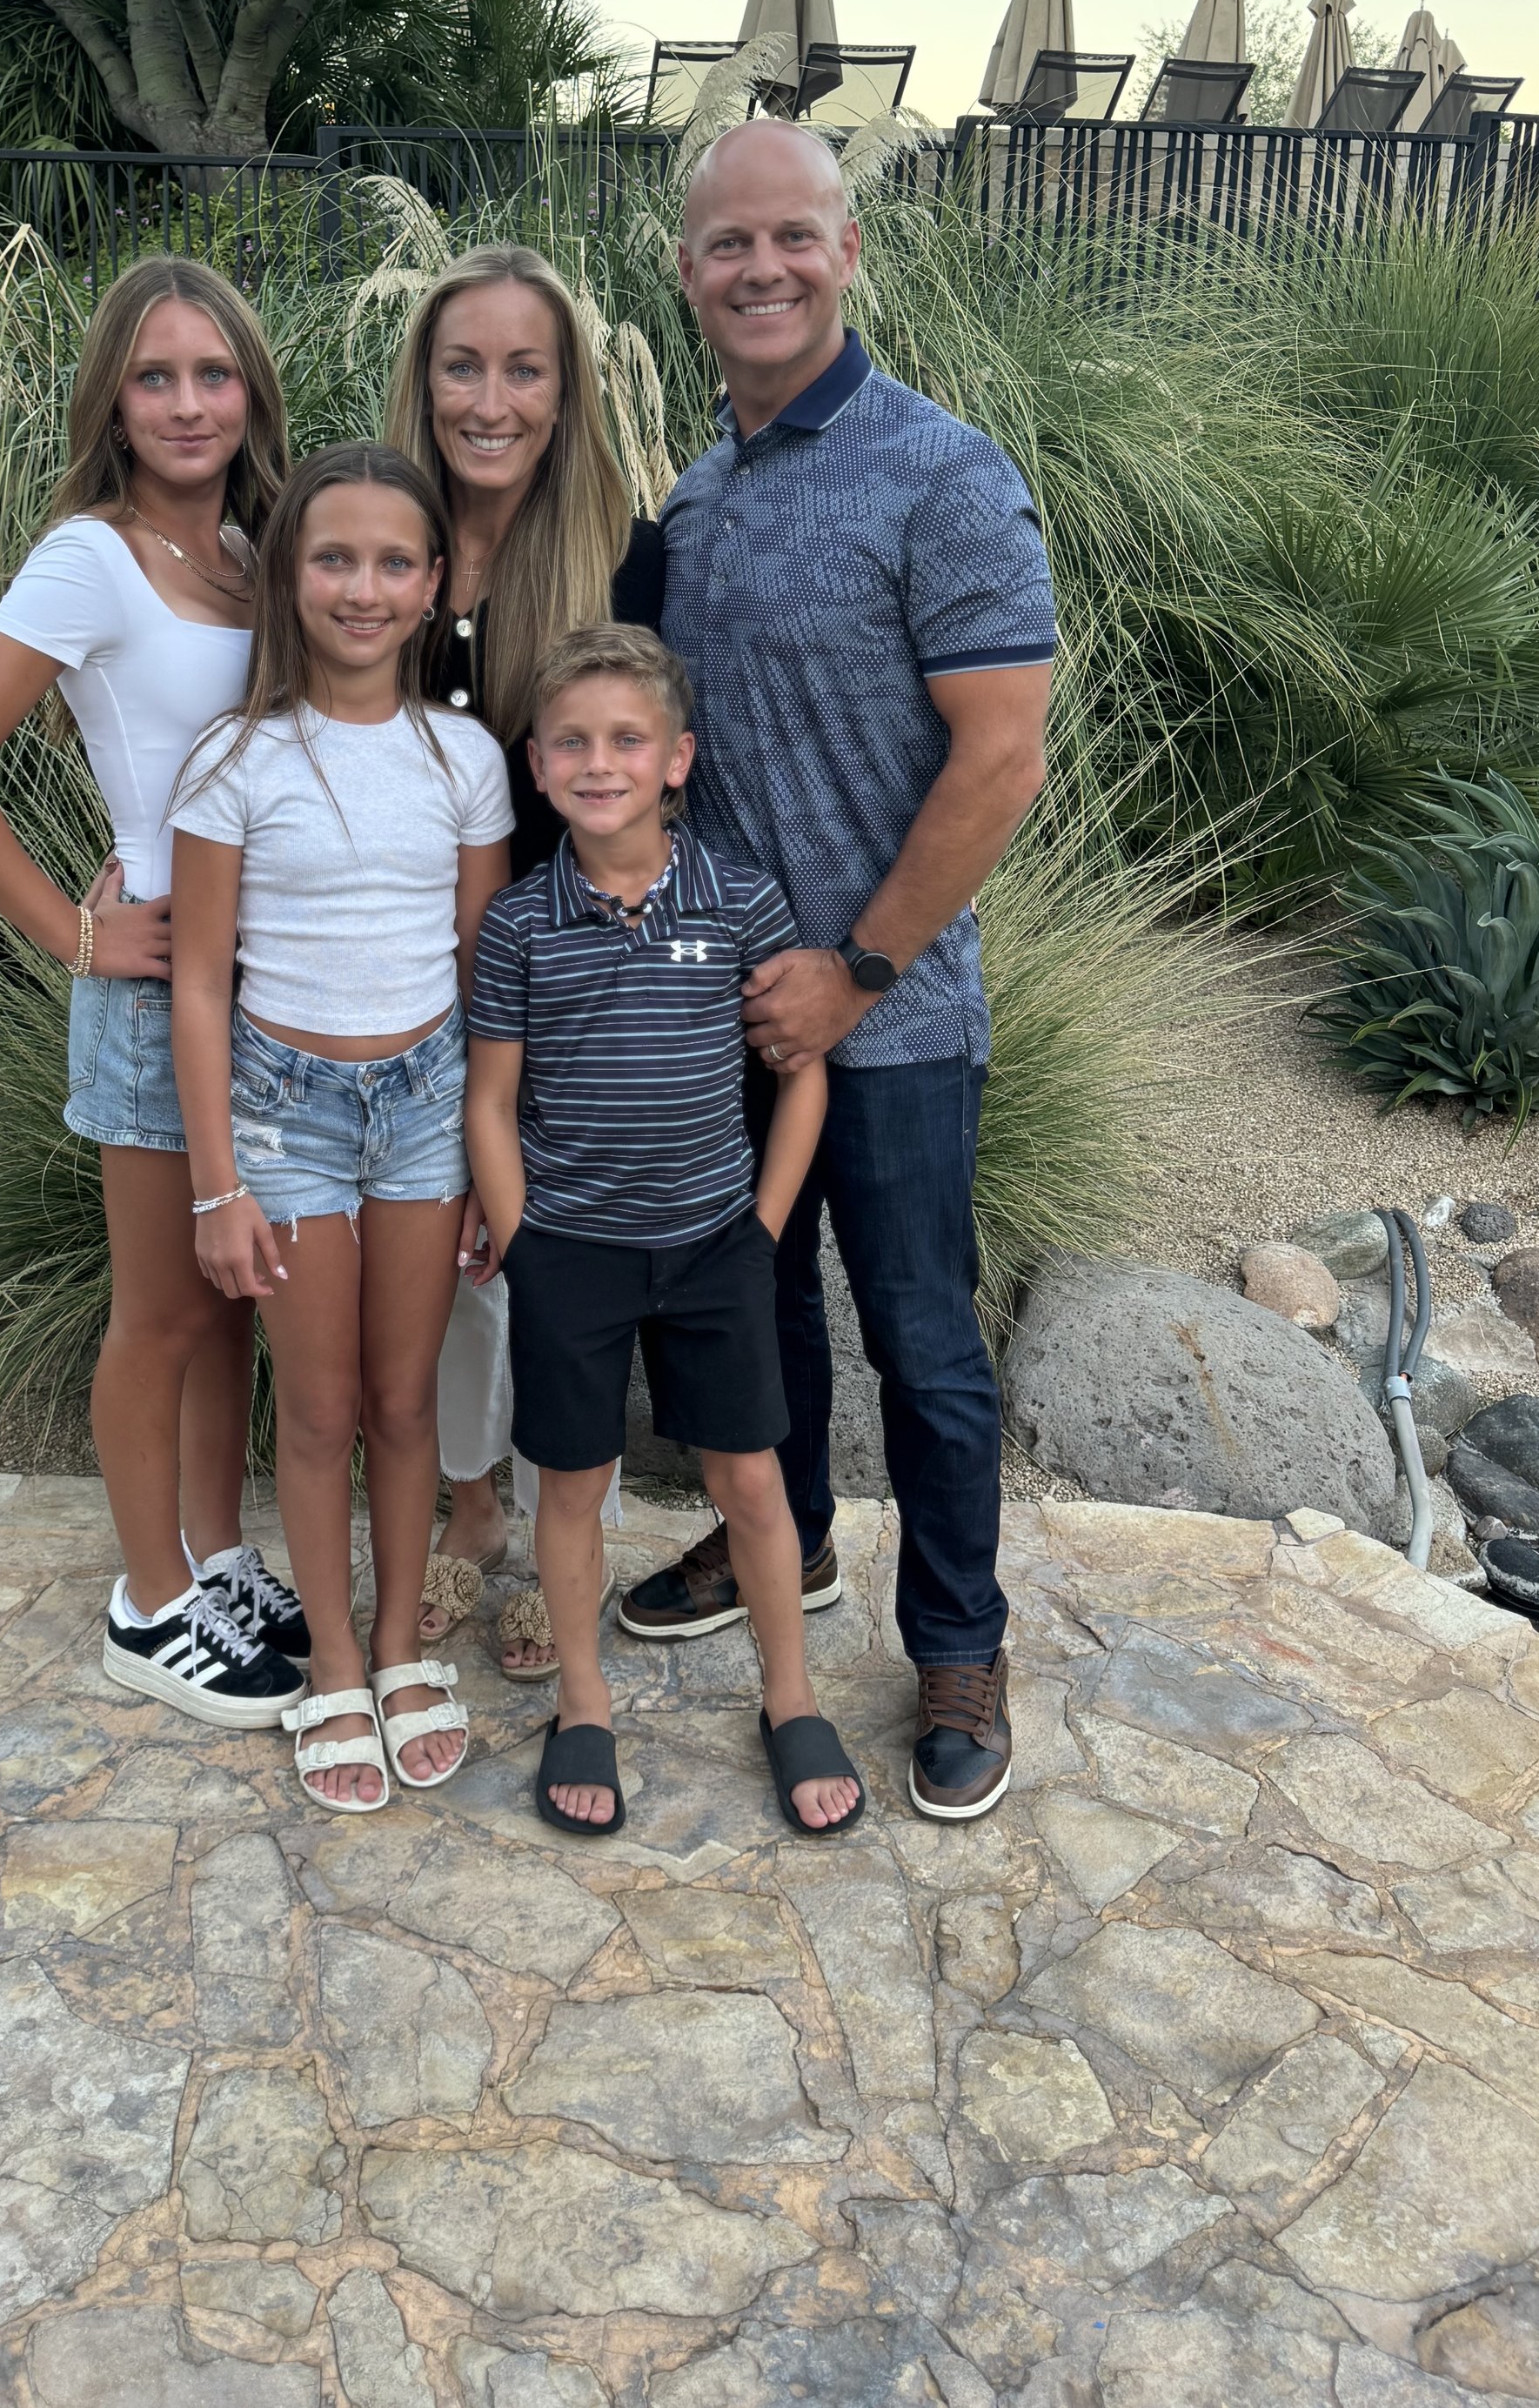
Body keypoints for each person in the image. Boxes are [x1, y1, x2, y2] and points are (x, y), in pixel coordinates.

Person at [631, 121, 1053, 1825]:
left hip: (889, 1020)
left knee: (919, 1341)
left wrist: (859, 968)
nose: (760, 268)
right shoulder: (695, 496)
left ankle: (955, 1639)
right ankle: (782, 1540)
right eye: (727, 243)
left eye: (792, 235)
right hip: (722, 1008)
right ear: (684, 272)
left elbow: (998, 756)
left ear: (847, 250)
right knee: (751, 1306)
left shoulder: (940, 471)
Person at [0, 258, 311, 1729]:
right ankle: (148, 1606)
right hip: (154, 995)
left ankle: (213, 1557)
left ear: (250, 388)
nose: (189, 404)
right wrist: (71, 933)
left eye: (212, 373)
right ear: (112, 404)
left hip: (267, 996)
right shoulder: (94, 557)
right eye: (154, 377)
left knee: (231, 1299)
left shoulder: (260, 553)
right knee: (160, 1316)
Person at [465, 624, 864, 1836]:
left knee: (750, 1477)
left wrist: (763, 1224)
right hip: (571, 1250)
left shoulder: (739, 899)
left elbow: (802, 1073)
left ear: (677, 758)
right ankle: (582, 1703)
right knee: (572, 1483)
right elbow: (490, 1097)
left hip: (711, 1246)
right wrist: (522, 1238)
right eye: (572, 743)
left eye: (626, 739)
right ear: (536, 766)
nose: (600, 763)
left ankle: (788, 1696)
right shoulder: (521, 926)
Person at [168, 443, 513, 1812]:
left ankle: (397, 1648)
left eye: (391, 563)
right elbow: (199, 980)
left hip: (428, 1108)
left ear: (433, 584)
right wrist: (216, 1183)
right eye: (332, 558)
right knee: (313, 1410)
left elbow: (485, 965)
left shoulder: (464, 755)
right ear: (288, 575)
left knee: (400, 1397)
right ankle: (327, 1667)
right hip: (289, 1116)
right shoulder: (236, 759)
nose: (360, 589)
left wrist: (498, 1155)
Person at [384, 244, 664, 1676]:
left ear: (568, 391)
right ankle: (470, 1511)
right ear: (424, 378)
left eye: (525, 368)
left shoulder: (622, 552)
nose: (489, 400)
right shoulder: (377, 538)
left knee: (549, 1258)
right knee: (443, 1255)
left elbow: (660, 775)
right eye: (463, 365)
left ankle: (561, 1520)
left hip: (574, 984)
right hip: (393, 983)